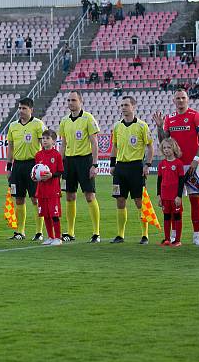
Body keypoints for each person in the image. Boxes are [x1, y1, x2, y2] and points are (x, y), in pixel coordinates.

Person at [152, 88, 199, 246]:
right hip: (174, 166)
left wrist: (196, 159)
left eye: (183, 97)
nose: (180, 100)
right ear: (173, 101)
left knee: (194, 200)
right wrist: (159, 126)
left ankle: (197, 236)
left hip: (192, 166)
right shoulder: (169, 119)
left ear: (187, 99)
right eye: (178, 98)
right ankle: (173, 236)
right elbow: (164, 141)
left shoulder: (195, 116)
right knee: (172, 201)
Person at [58, 91, 102, 243]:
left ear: (80, 101)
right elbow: (63, 143)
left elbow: (94, 142)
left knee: (89, 195)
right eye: (69, 100)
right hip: (69, 162)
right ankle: (70, 232)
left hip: (85, 160)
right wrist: (59, 162)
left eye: (73, 100)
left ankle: (96, 233)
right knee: (69, 196)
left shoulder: (88, 118)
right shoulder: (64, 121)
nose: (70, 103)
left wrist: (94, 164)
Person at [110, 96, 154, 245]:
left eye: (126, 105)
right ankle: (120, 235)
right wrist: (112, 164)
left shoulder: (142, 126)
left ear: (133, 106)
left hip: (136, 167)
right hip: (120, 168)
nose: (123, 108)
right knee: (120, 200)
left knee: (139, 201)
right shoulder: (117, 126)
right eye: (122, 105)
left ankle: (145, 235)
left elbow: (150, 147)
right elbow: (114, 147)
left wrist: (147, 164)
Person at [6, 97, 47, 240]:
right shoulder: (13, 126)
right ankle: (20, 232)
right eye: (20, 108)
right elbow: (10, 147)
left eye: (24, 108)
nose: (21, 111)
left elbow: (45, 145)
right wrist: (9, 166)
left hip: (33, 165)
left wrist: (43, 165)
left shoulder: (38, 125)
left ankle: (39, 232)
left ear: (31, 110)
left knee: (36, 199)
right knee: (19, 199)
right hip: (17, 166)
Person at [34, 129, 64, 246]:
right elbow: (36, 170)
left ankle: (58, 237)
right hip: (41, 190)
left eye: (47, 138)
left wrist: (52, 175)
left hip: (53, 190)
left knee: (54, 214)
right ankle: (50, 237)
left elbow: (60, 171)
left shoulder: (56, 155)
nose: (44, 141)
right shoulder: (38, 155)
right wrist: (34, 177)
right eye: (43, 138)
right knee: (45, 214)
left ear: (54, 141)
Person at [157, 138, 185, 247]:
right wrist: (159, 195)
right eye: (164, 148)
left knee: (177, 216)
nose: (166, 150)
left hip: (175, 197)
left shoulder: (178, 163)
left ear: (174, 148)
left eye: (169, 147)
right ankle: (167, 239)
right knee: (166, 217)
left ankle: (177, 240)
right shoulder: (161, 164)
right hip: (165, 196)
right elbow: (159, 180)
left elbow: (181, 181)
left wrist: (179, 196)